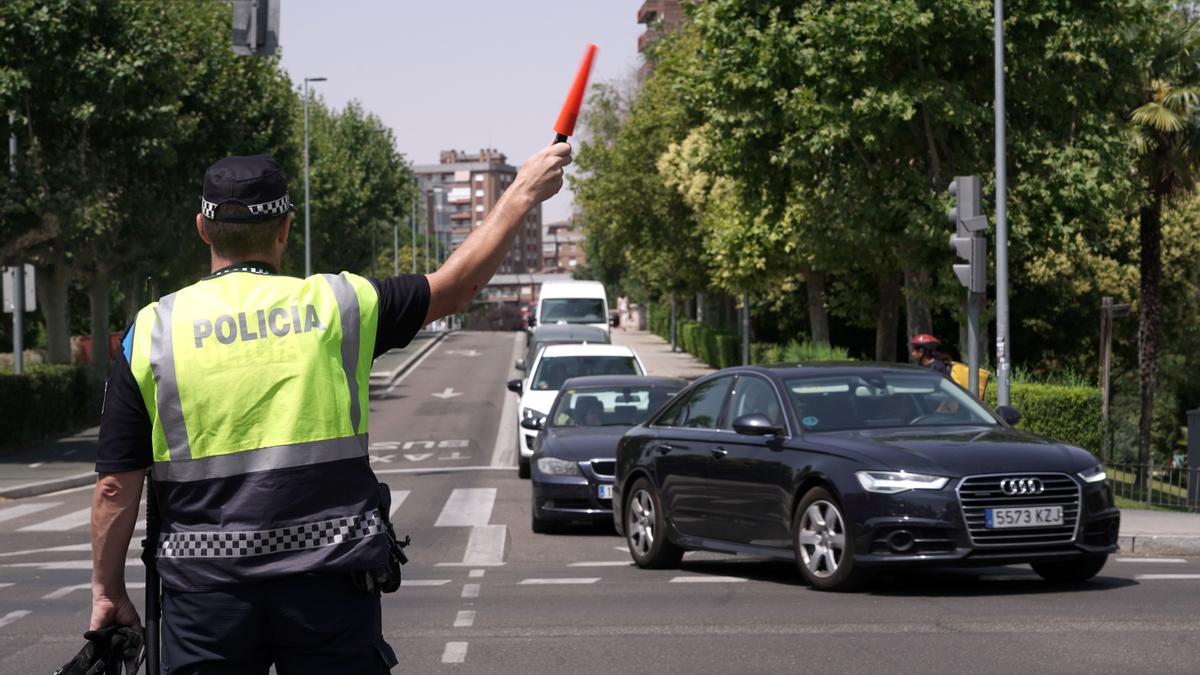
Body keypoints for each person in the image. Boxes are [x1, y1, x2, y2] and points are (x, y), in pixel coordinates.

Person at [89, 145, 571, 673]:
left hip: (206, 599)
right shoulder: (340, 306)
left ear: (203, 229)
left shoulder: (154, 331)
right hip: (328, 587)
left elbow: (115, 486)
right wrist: (522, 192)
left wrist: (107, 590)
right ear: (285, 229)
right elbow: (456, 288)